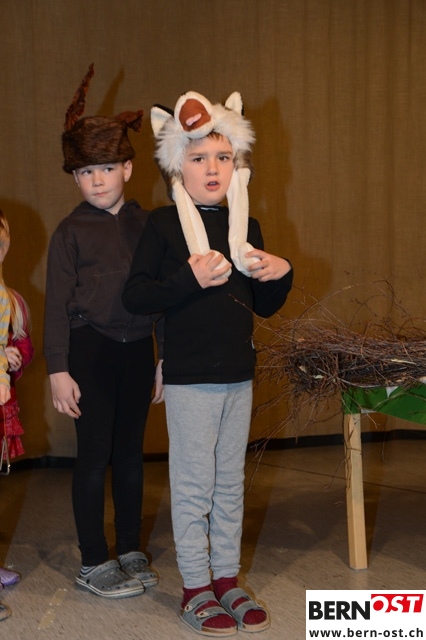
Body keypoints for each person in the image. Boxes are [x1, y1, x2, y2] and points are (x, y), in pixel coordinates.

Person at [122, 91, 293, 636]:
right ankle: (195, 587)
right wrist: (188, 279)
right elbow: (136, 296)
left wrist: (281, 272)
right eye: (198, 158)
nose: (213, 168)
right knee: (195, 486)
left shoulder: (248, 225)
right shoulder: (162, 225)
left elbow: (263, 305)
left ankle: (226, 580)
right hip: (191, 378)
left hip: (237, 374)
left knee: (230, 485)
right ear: (179, 165)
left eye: (223, 157)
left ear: (236, 163)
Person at [43, 64, 161, 599]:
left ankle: (130, 547)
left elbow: (163, 297)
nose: (97, 180)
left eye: (107, 168)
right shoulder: (69, 232)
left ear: (128, 169)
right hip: (89, 351)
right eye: (86, 172)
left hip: (138, 352)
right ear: (75, 177)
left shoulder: (149, 225)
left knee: (130, 453)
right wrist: (58, 369)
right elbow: (56, 305)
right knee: (94, 456)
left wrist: (164, 358)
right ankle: (93, 559)